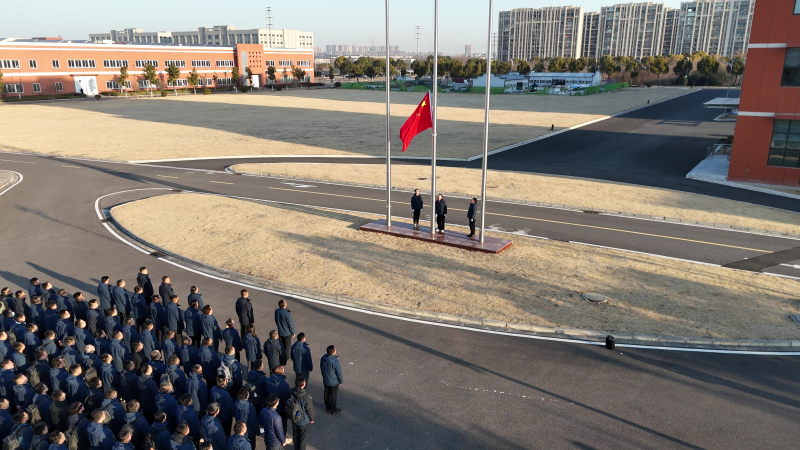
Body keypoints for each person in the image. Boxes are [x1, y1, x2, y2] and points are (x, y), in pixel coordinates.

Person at [288, 377, 314, 450]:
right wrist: (312, 418)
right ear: (303, 385)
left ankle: (296, 447)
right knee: (302, 438)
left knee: (296, 434)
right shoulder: (306, 396)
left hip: (294, 418)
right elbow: (310, 409)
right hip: (303, 420)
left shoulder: (292, 391)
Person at [265, 366, 291, 435]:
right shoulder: (284, 384)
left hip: (272, 406)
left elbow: (266, 392)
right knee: (283, 424)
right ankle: (282, 436)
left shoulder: (268, 380)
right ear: (282, 372)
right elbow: (287, 396)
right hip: (282, 407)